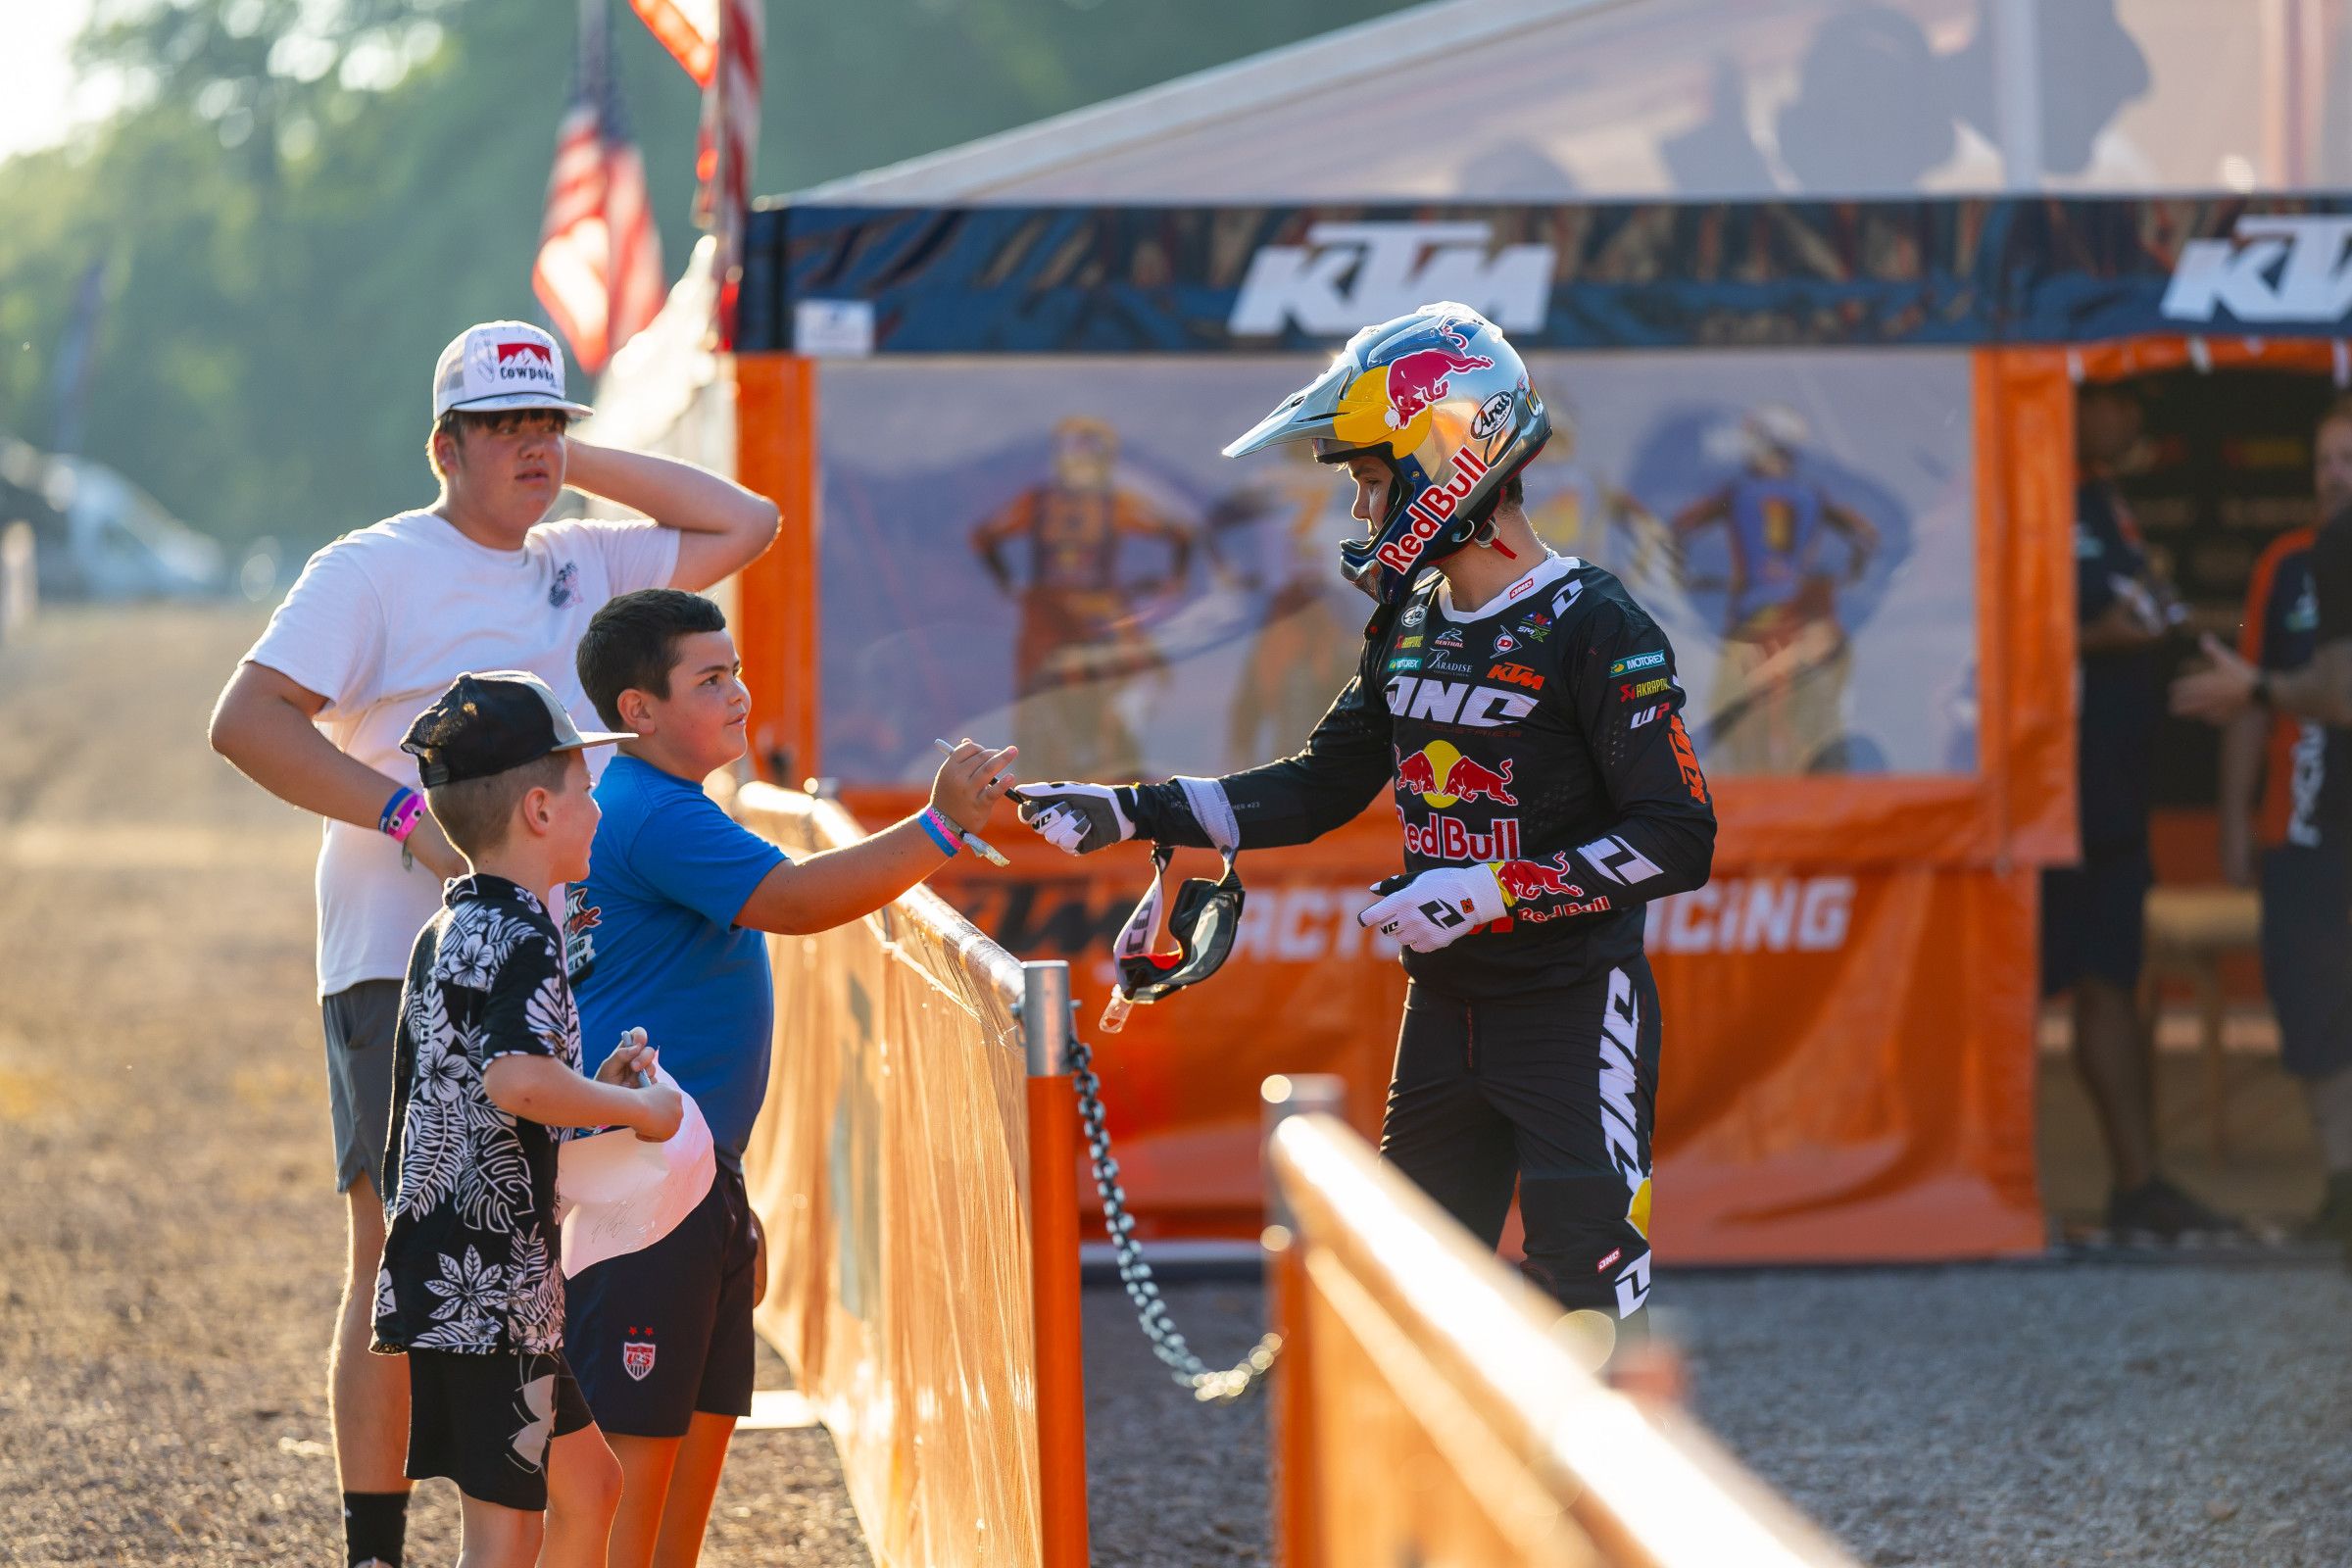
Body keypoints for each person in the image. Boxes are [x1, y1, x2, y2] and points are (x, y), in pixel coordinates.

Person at [1015, 304, 1716, 1326]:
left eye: (1372, 480)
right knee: (1412, 1311)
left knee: (1590, 1300)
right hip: (1444, 1012)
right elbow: (1318, 783)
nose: (1358, 511)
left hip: (1574, 1005)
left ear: (1447, 461)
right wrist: (1129, 810)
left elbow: (1677, 833)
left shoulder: (1596, 622)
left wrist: (1489, 891)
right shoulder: (1412, 616)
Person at [205, 319, 777, 1568]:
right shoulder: (371, 567)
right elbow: (245, 720)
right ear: (441, 446)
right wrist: (406, 815)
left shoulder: (582, 554)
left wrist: (580, 462)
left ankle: (507, 1539)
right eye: (503, 426)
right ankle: (373, 1547)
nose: (530, 445)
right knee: (396, 1249)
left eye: (546, 422)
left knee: (522, 1254)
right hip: (391, 954)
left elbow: (749, 522)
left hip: (551, 956)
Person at [563, 588, 1015, 1566]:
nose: (739, 694)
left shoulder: (656, 798)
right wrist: (937, 829)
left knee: (676, 1486)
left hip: (686, 1178)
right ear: (638, 710)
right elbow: (800, 899)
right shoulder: (648, 810)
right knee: (626, 1513)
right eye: (710, 678)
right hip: (643, 1189)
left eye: (737, 670)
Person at [369, 671, 683, 1568]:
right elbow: (514, 1082)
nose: (599, 811)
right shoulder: (523, 935)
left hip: (487, 1287)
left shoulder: (456, 924)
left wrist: (589, 1093)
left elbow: (501, 1092)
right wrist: (638, 1108)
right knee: (504, 1538)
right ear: (540, 811)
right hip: (489, 1294)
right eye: (587, 793)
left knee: (591, 1487)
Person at [2056, 381, 2231, 1241]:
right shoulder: (2027, 480)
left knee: (2111, 981)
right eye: (2118, 399)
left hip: (2114, 792)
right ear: (2073, 402)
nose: (2136, 417)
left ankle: (2138, 1184)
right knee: (2029, 985)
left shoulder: (2103, 493)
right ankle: (1985, 1184)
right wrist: (2094, 639)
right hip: (2049, 792)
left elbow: (2131, 603)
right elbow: (1981, 631)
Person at [2178, 396, 2352, 1253]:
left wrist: (2260, 691)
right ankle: (2343, 1186)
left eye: (2349, 459)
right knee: (2311, 1006)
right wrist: (2235, 822)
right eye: (2324, 459)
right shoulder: (2287, 563)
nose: (2333, 475)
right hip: (2304, 823)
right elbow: (2245, 696)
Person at [970, 416, 1194, 779]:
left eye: (1089, 460)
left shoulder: (1114, 505)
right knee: (1041, 695)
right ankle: (1044, 773)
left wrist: (1170, 583)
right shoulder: (1042, 503)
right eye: (1076, 459)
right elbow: (984, 536)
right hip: (1050, 615)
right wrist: (1009, 585)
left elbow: (1180, 533)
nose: (1082, 468)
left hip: (1097, 614)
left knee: (1127, 686)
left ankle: (1116, 768)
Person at [1668, 405, 1878, 775]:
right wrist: (1848, 577)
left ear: (1764, 445)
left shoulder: (1738, 490)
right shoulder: (1812, 493)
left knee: (1729, 711)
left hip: (1752, 618)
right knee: (1815, 720)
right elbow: (1866, 536)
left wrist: (1688, 575)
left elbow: (1681, 527)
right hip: (1807, 619)